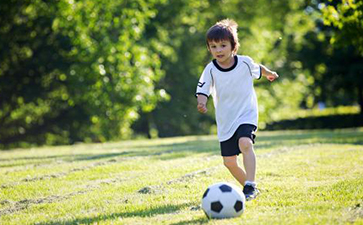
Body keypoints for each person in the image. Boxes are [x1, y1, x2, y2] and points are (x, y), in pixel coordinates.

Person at [195, 19, 279, 200]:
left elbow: (259, 69)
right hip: (226, 119)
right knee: (229, 162)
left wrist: (269, 73)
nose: (218, 50)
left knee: (245, 143)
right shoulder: (210, 69)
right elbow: (203, 89)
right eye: (213, 46)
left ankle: (250, 184)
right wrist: (202, 102)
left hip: (246, 112)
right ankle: (250, 188)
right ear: (209, 48)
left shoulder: (245, 63)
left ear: (234, 46)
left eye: (223, 45)